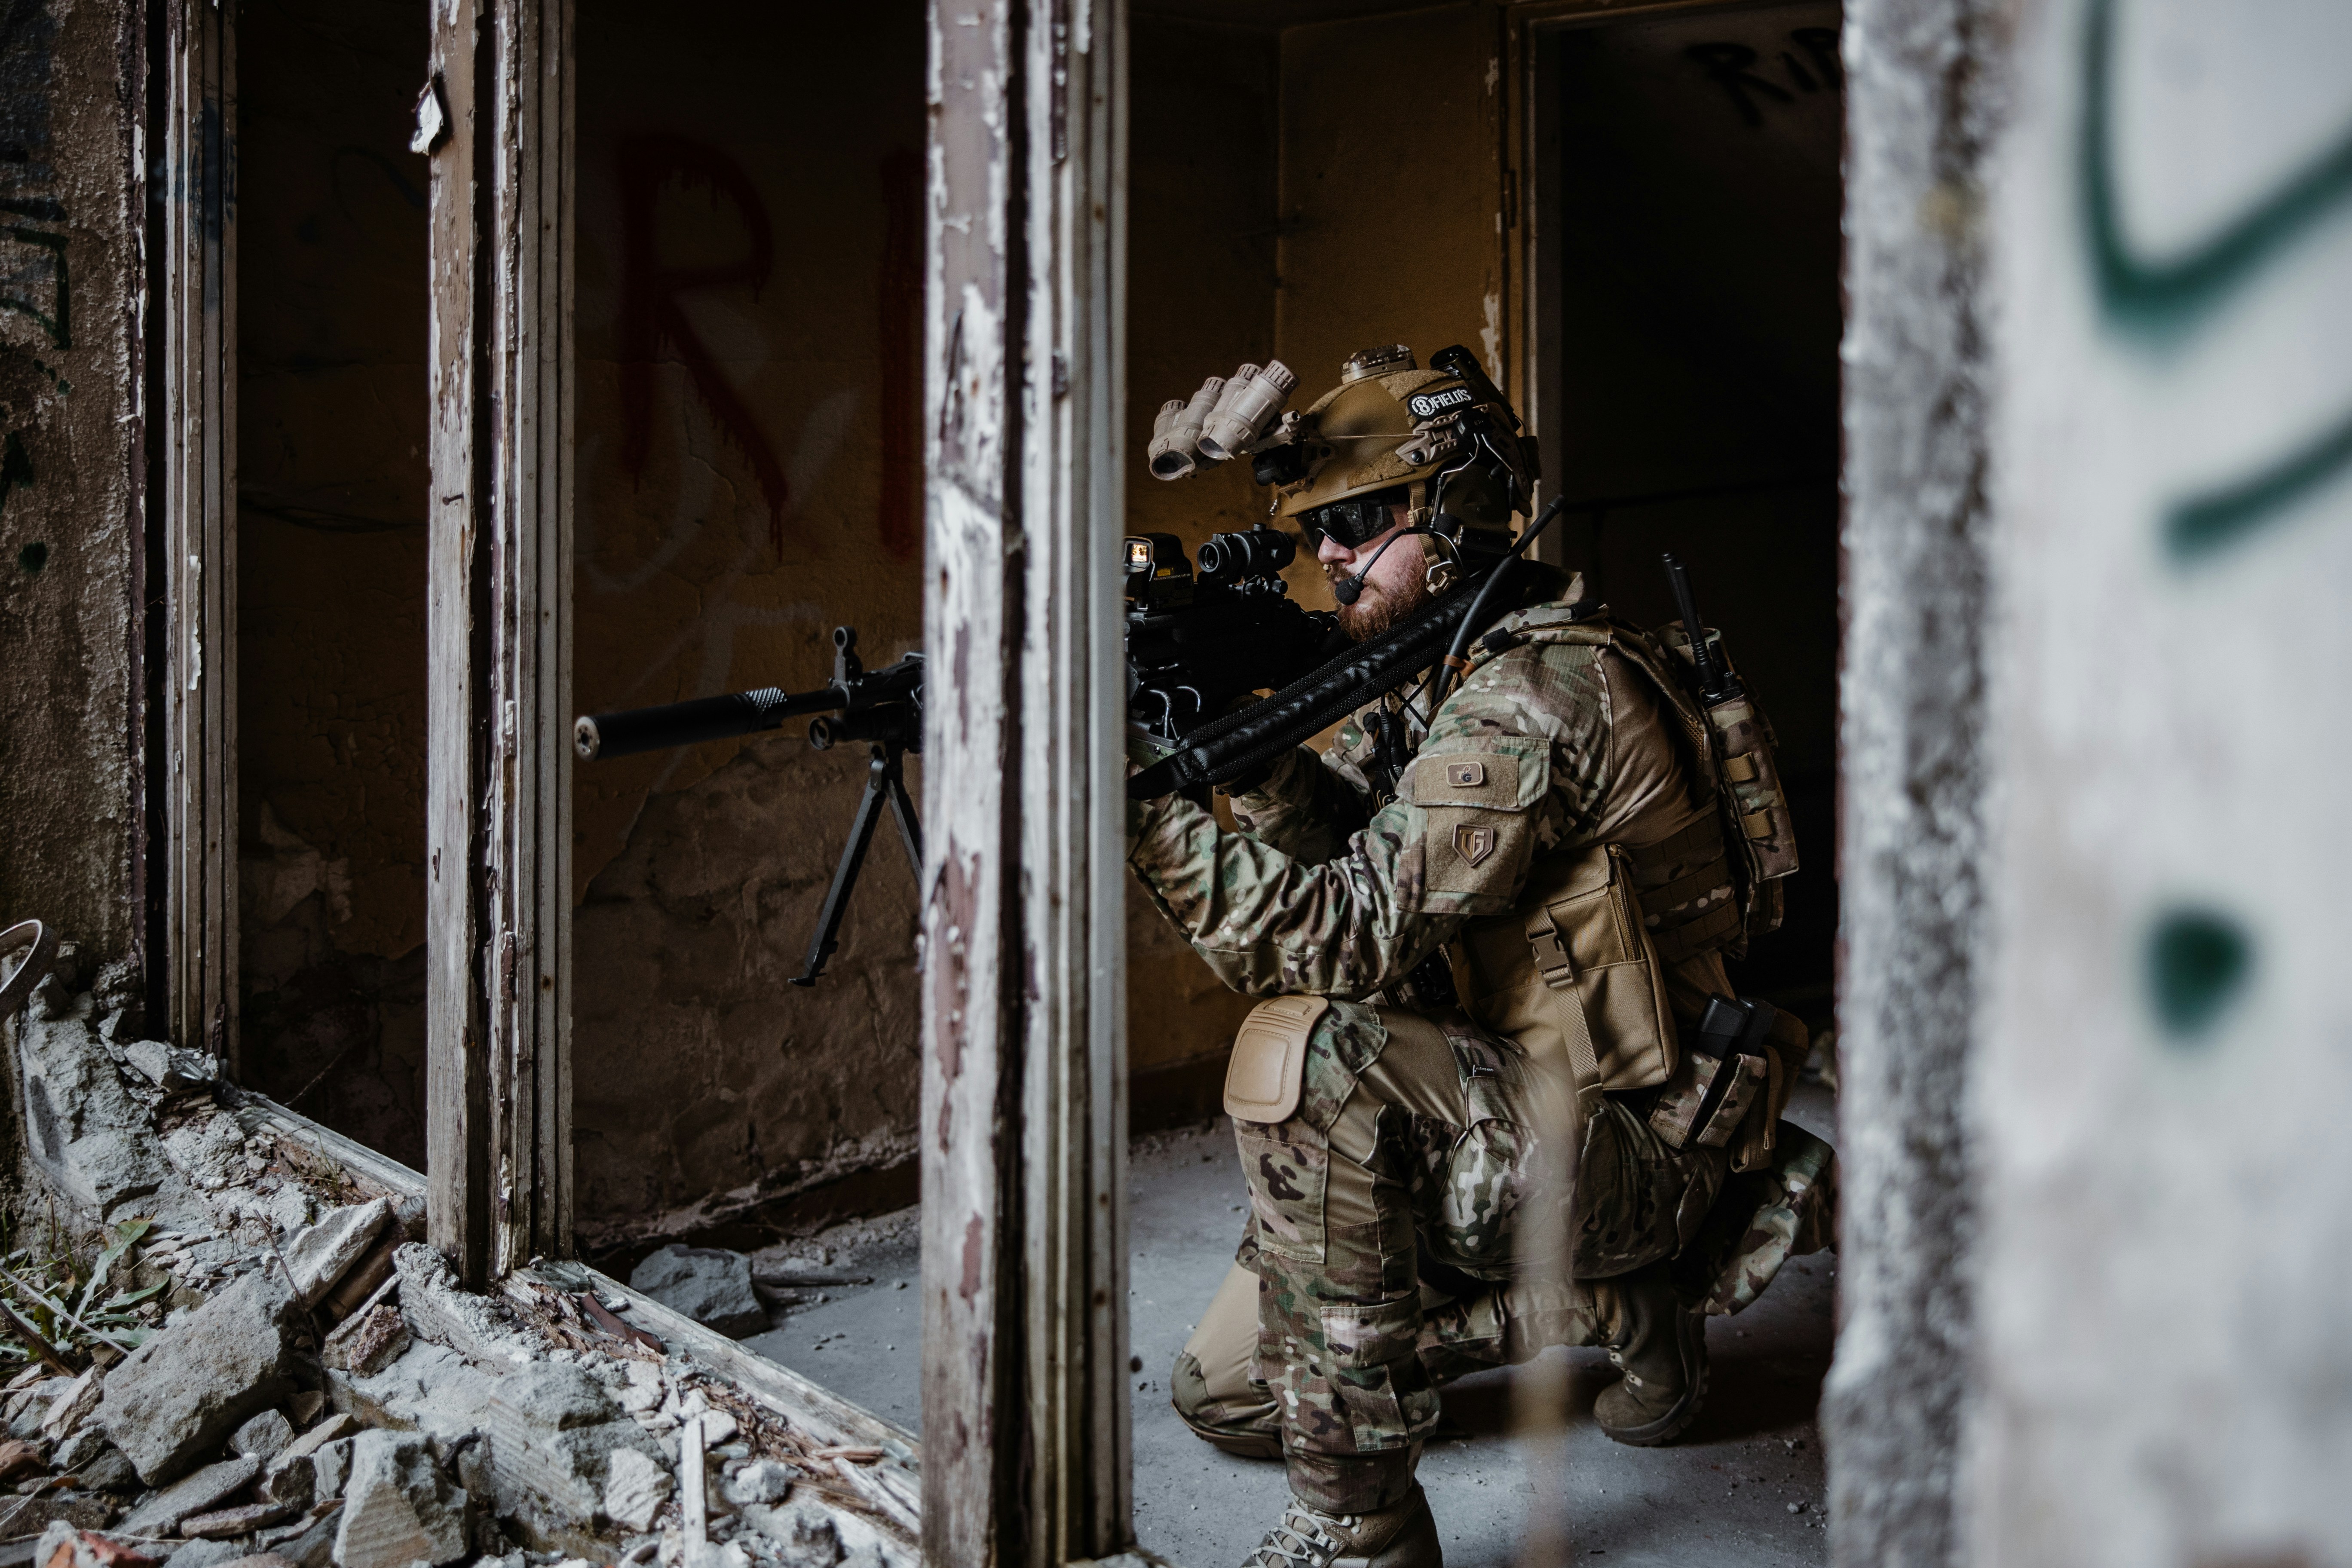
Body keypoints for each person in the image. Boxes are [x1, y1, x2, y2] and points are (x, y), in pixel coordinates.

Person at [1126, 345, 1837, 1568]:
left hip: (1638, 1141)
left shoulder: (1536, 696)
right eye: (1314, 532)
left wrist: (1136, 813)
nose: (1329, 555)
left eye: (1358, 522)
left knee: (1317, 1059)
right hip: (1505, 1097)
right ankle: (1619, 1308)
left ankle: (1365, 1529)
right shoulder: (1439, 675)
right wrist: (1261, 759)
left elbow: (1344, 935)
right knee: (1230, 1395)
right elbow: (1358, 852)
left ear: (1452, 512)